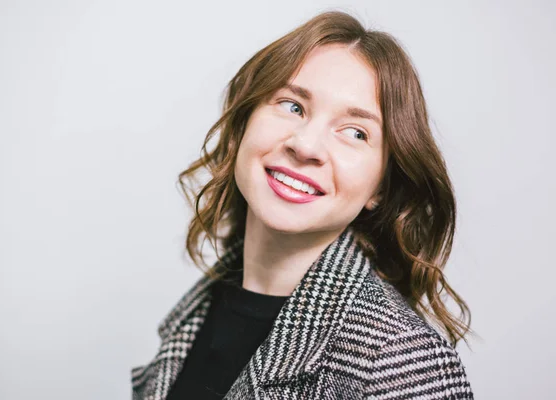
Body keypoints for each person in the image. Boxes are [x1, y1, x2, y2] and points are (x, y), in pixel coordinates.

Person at [131, 10, 475, 400]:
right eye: (293, 106)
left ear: (380, 186)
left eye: (355, 132)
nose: (306, 145)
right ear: (244, 123)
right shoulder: (197, 310)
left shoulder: (402, 361)